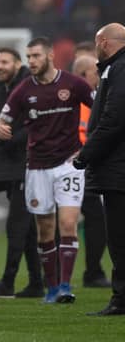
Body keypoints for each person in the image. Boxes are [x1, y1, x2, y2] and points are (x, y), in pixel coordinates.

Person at [0, 37, 94, 304]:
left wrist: (89, 146)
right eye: (28, 57)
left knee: (69, 223)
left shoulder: (73, 84)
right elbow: (0, 122)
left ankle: (64, 286)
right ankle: (51, 288)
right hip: (37, 167)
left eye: (35, 56)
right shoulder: (24, 90)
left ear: (50, 55)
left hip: (69, 165)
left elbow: (101, 110)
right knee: (45, 230)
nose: (31, 62)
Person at [0, 48, 44, 299]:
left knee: (16, 225)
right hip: (10, 168)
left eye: (5, 61)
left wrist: (13, 138)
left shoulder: (29, 89)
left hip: (29, 166)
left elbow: (38, 124)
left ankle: (7, 282)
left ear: (18, 63)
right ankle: (37, 283)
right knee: (26, 229)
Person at [74, 23, 125, 315]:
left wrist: (86, 155)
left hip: (118, 169)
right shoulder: (114, 68)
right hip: (115, 168)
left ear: (103, 42)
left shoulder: (118, 69)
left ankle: (120, 300)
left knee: (119, 238)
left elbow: (114, 120)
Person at [72, 54, 110, 288]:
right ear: (85, 74)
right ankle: (56, 274)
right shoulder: (72, 100)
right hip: (71, 167)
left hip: (87, 167)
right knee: (60, 223)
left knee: (96, 219)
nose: (99, 77)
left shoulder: (98, 99)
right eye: (95, 73)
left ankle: (93, 271)